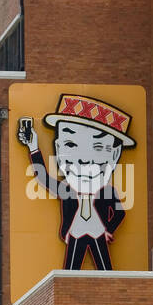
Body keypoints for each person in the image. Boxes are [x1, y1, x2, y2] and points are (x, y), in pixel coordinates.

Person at [18, 93, 136, 270]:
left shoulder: (108, 191)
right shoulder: (67, 190)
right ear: (58, 149)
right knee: (70, 273)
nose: (84, 160)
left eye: (97, 148)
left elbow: (120, 213)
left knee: (106, 272)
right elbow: (43, 177)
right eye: (72, 145)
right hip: (75, 233)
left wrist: (108, 229)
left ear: (115, 154)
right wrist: (33, 147)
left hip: (98, 232)